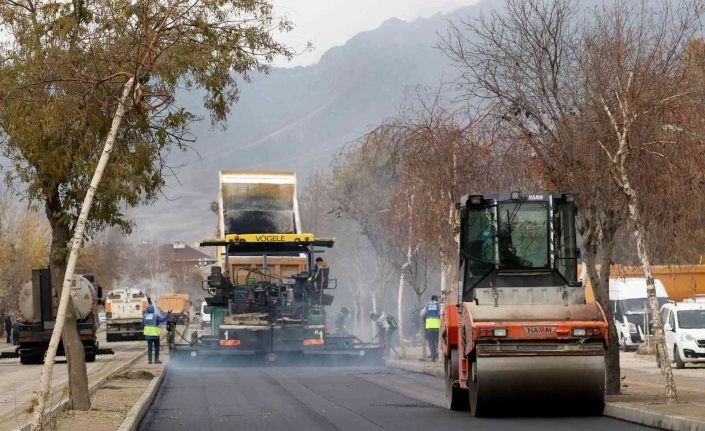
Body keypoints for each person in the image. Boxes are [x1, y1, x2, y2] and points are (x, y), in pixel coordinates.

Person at [422, 295, 441, 361]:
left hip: (429, 327)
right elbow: (440, 314)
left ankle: (433, 357)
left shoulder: (427, 305)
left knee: (431, 343)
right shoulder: (439, 305)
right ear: (436, 299)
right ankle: (439, 356)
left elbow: (422, 314)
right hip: (437, 327)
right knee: (438, 342)